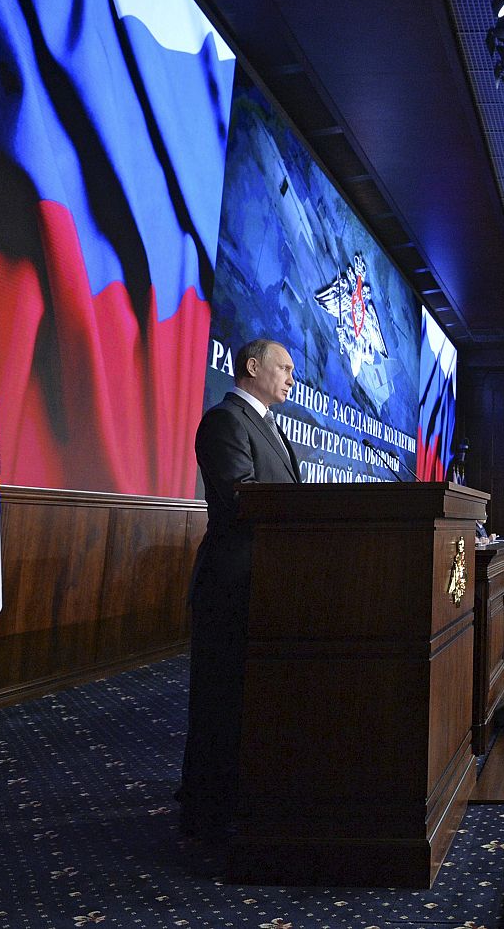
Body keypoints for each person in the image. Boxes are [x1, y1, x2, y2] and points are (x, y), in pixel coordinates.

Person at [181, 338, 300, 842]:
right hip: (233, 579)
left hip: (267, 578)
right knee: (221, 696)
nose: (292, 378)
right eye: (284, 367)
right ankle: (206, 810)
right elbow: (240, 500)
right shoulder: (225, 421)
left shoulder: (270, 427)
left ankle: (242, 792)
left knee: (249, 694)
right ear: (252, 366)